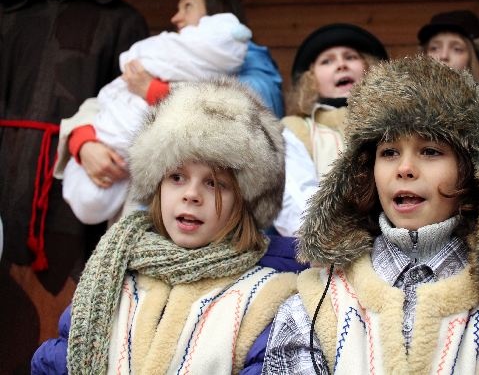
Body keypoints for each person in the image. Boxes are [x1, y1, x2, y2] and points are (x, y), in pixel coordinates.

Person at [263, 55, 479, 374]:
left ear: (472, 172)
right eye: (388, 152)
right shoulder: (315, 303)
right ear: (364, 170)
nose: (404, 169)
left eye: (430, 151)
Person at [33, 79, 302, 374]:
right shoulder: (112, 274)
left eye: (214, 183)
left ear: (245, 202)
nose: (191, 194)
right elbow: (59, 359)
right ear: (156, 186)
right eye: (177, 177)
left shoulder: (268, 296)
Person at [0, 0, 148, 371]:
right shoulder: (10, 15)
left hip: (78, 174)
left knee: (67, 286)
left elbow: (128, 104)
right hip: (6, 169)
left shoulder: (121, 20)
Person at [54, 0, 284, 224]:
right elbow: (109, 98)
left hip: (206, 213)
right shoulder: (167, 56)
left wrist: (154, 91)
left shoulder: (248, 58)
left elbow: (258, 107)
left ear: (218, 12)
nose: (176, 18)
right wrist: (83, 140)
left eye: (188, 6)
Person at [275, 23, 388, 236]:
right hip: (331, 250)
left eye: (351, 57)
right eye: (327, 61)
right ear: (311, 80)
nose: (341, 65)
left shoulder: (397, 122)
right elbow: (296, 202)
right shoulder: (296, 130)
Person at [417, 9, 479, 81]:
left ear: (472, 59)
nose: (443, 56)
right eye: (434, 48)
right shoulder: (406, 91)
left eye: (457, 49)